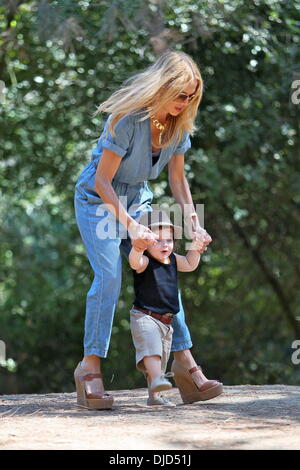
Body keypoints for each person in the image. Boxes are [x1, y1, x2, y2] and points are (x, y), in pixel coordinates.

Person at [73, 49, 222, 410]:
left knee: (164, 266)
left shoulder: (178, 125)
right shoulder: (127, 119)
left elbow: (177, 179)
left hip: (138, 201)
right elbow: (103, 182)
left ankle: (185, 367)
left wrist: (194, 226)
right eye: (180, 95)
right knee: (109, 277)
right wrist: (133, 227)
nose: (185, 103)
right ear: (163, 86)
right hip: (98, 202)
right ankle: (89, 369)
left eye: (192, 97)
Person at [129, 210, 223, 407]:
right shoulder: (145, 261)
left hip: (166, 321)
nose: (165, 245)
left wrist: (195, 248)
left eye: (169, 240)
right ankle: (157, 381)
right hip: (145, 317)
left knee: (161, 358)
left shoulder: (173, 260)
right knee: (152, 353)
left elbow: (189, 264)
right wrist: (137, 248)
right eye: (158, 240)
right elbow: (134, 261)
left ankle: (155, 397)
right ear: (146, 242)